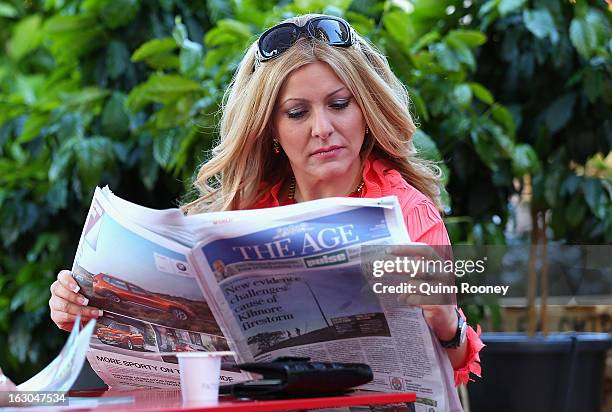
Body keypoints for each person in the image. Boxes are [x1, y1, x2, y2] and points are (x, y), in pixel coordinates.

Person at [49, 13, 483, 386]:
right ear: (271, 130)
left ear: (367, 111)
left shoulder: (409, 214)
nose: (322, 128)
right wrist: (85, 312)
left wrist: (449, 327)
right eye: (297, 113)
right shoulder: (239, 217)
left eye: (339, 104)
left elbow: (453, 369)